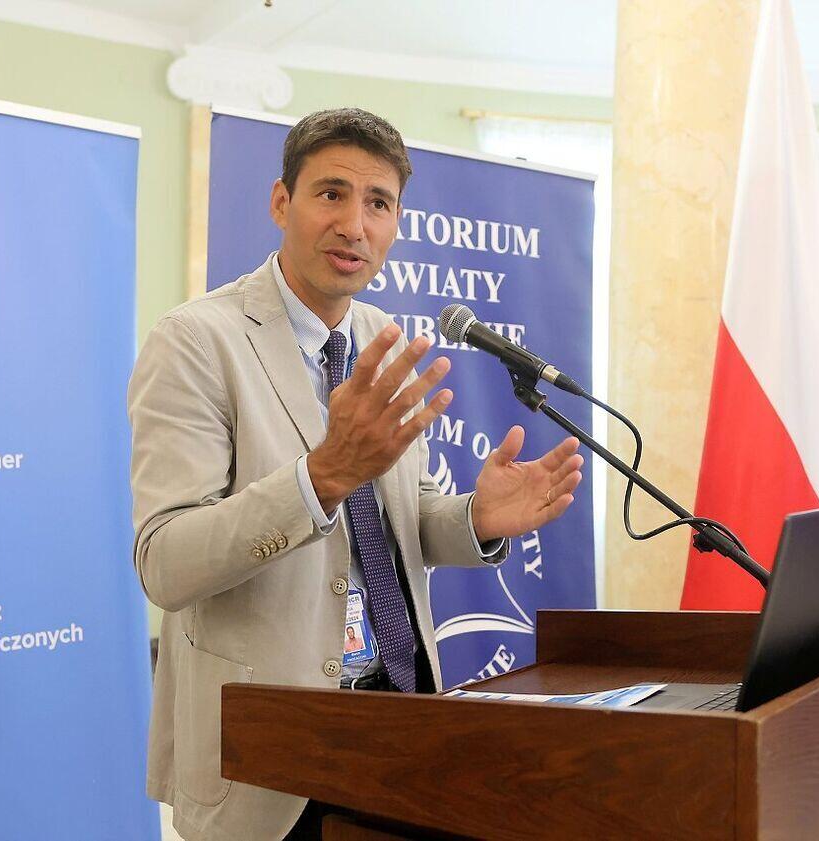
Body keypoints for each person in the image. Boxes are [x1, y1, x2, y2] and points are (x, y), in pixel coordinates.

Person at [128, 107, 583, 841]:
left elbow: (403, 517)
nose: (354, 225)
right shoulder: (196, 341)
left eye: (378, 203)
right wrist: (320, 478)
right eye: (331, 194)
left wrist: (476, 518)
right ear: (282, 202)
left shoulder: (382, 339)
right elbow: (166, 564)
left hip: (400, 714)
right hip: (272, 752)